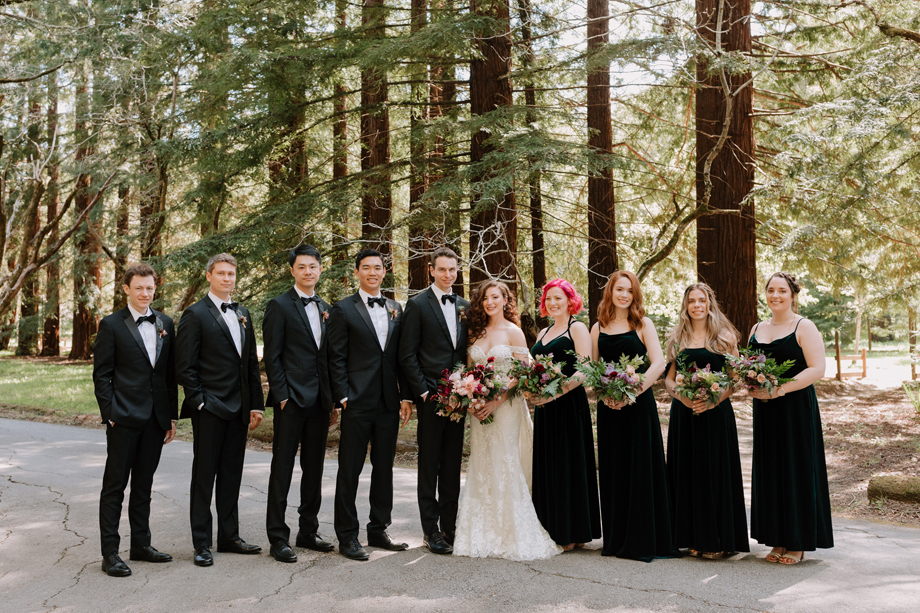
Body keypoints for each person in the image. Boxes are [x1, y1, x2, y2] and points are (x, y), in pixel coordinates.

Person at [452, 280, 561, 561]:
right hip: (480, 410)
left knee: (505, 459)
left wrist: (496, 400)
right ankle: (483, 530)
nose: (490, 302)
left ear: (505, 300)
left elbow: (523, 373)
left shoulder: (514, 331)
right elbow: (469, 371)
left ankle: (511, 530)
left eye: (495, 297)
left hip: (507, 407)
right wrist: (472, 400)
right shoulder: (475, 332)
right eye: (485, 298)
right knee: (482, 460)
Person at [176, 253, 264, 567]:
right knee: (204, 477)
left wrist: (256, 404)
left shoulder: (242, 313)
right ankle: (202, 543)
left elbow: (250, 363)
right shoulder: (195, 313)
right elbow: (184, 366)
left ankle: (230, 536)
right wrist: (200, 401)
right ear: (209, 276)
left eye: (231, 274)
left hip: (239, 408)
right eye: (221, 273)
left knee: (231, 475)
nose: (227, 278)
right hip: (210, 408)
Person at [93, 262, 178, 577]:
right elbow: (101, 375)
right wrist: (111, 415)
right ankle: (110, 553)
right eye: (139, 287)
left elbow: (168, 375)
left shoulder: (165, 323)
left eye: (150, 287)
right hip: (124, 418)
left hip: (155, 419)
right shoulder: (111, 324)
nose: (145, 293)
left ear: (155, 288)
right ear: (126, 289)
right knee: (114, 487)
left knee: (144, 485)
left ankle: (141, 545)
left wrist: (170, 417)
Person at [328, 248, 412, 561]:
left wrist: (405, 396)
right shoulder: (342, 309)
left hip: (388, 401)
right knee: (349, 469)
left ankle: (378, 529)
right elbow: (335, 356)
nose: (372, 273)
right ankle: (347, 536)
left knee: (384, 468)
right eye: (366, 268)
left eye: (377, 268)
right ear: (357, 272)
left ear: (384, 272)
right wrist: (343, 396)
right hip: (357, 401)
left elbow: (401, 356)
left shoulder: (395, 308)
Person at [747, 272, 833, 565]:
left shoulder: (803, 326)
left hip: (795, 408)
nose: (775, 296)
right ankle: (778, 539)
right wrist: (751, 384)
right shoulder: (756, 328)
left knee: (796, 470)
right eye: (771, 290)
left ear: (793, 295)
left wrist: (780, 389)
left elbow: (817, 368)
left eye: (782, 291)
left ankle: (798, 542)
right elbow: (748, 367)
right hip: (766, 410)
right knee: (771, 470)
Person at [591, 270, 676, 562]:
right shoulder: (598, 328)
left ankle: (642, 540)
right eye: (619, 289)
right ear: (610, 292)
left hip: (638, 406)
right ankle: (616, 540)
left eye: (629, 290)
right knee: (614, 469)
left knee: (640, 469)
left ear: (635, 294)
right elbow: (593, 369)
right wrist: (605, 395)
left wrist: (631, 392)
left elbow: (658, 363)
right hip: (609, 408)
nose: (624, 295)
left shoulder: (642, 324)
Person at [263, 245, 338, 563]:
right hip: (290, 401)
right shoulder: (279, 306)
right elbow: (272, 355)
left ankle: (308, 531)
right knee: (282, 469)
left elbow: (329, 358)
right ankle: (278, 537)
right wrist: (281, 396)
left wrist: (332, 401)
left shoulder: (326, 307)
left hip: (320, 402)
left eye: (313, 266)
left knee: (314, 469)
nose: (308, 271)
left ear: (320, 270)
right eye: (302, 267)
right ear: (292, 270)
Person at [663, 283, 749, 560]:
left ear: (710, 303)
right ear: (685, 305)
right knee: (687, 471)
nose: (697, 305)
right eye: (692, 301)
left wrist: (715, 399)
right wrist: (682, 397)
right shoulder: (678, 337)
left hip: (716, 413)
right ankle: (691, 538)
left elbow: (735, 378)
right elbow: (668, 379)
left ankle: (718, 540)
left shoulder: (724, 336)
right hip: (684, 414)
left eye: (702, 300)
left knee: (715, 473)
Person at [398, 247, 469, 555]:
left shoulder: (465, 306)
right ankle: (431, 530)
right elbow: (407, 354)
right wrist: (423, 393)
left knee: (452, 465)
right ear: (431, 270)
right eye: (442, 269)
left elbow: (465, 352)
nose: (447, 274)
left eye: (452, 269)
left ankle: (450, 528)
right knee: (429, 465)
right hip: (431, 398)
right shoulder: (417, 305)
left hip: (460, 398)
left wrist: (469, 388)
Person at [529, 279, 601, 551]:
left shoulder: (577, 328)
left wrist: (555, 392)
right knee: (549, 464)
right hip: (545, 408)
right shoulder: (543, 332)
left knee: (569, 464)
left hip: (569, 405)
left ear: (570, 301)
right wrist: (531, 388)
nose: (552, 303)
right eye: (548, 299)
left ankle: (573, 531)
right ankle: (552, 526)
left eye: (558, 298)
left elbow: (585, 369)